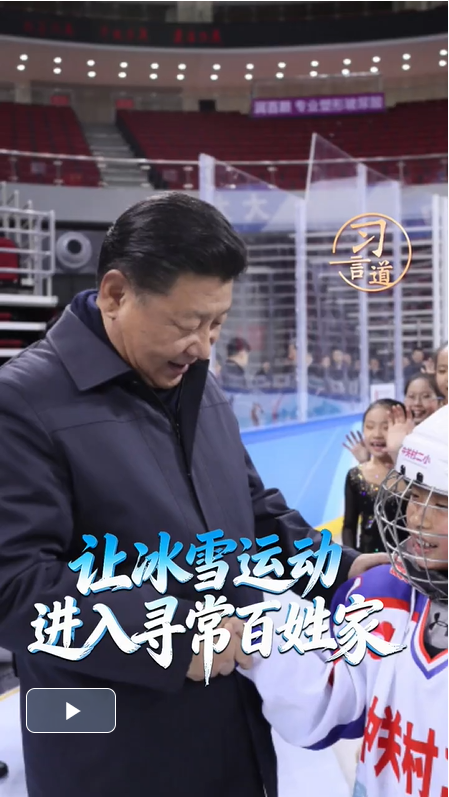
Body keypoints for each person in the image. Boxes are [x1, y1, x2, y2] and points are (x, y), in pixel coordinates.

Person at [0, 194, 382, 797]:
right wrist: (176, 638)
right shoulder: (21, 403)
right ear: (116, 294)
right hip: (111, 749)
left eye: (216, 324)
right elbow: (15, 588)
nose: (204, 346)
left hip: (229, 728)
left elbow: (248, 510)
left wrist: (339, 568)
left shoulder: (197, 383)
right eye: (186, 325)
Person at [241, 405, 448, 797]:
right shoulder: (385, 595)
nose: (417, 518)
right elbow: (326, 703)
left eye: (441, 504)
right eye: (415, 495)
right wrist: (257, 641)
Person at [342, 399, 406, 553]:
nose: (377, 434)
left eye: (386, 427)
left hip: (406, 562)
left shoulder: (412, 476)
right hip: (368, 561)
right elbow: (349, 527)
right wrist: (352, 560)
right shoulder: (356, 476)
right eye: (370, 427)